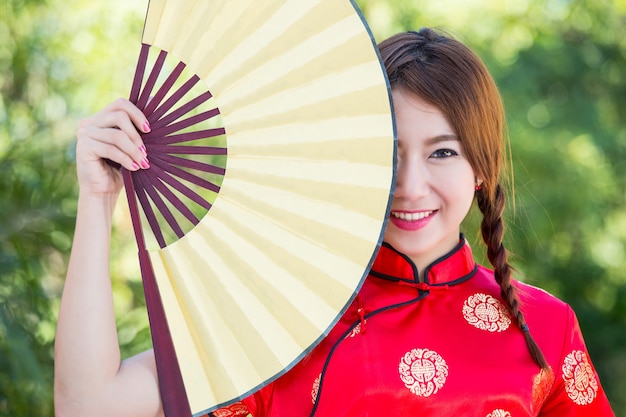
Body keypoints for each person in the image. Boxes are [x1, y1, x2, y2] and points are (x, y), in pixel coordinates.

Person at [54, 28, 615, 417]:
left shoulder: (547, 328)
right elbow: (90, 407)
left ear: (482, 168)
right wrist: (96, 201)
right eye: (389, 152)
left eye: (442, 152)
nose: (410, 184)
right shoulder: (286, 311)